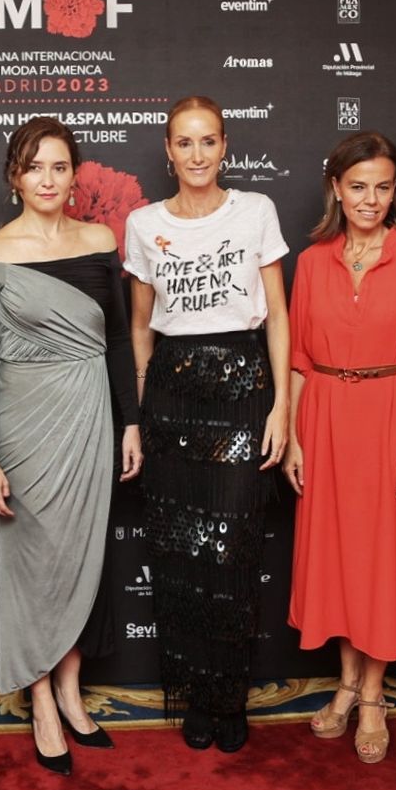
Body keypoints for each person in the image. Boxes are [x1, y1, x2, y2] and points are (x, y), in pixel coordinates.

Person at [0, 116, 143, 776]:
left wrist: (130, 421)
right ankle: (39, 694)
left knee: (79, 559)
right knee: (31, 564)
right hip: (21, 425)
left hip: (91, 416)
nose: (47, 178)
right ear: (16, 176)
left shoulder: (98, 240)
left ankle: (69, 687)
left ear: (74, 175)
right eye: (35, 166)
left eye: (60, 166)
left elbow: (119, 340)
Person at [125, 95, 290, 753]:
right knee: (180, 554)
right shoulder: (141, 223)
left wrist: (283, 406)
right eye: (184, 143)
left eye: (208, 141)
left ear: (225, 146)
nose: (197, 155)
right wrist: (139, 415)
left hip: (244, 389)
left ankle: (229, 696)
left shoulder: (255, 211)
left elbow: (278, 314)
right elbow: (140, 328)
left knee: (233, 551)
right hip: (172, 395)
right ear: (168, 151)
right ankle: (196, 694)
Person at [283, 131, 396, 764]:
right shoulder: (314, 260)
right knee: (341, 559)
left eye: (382, 187)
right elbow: (297, 359)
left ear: (395, 190)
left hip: (389, 418)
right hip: (324, 419)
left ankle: (373, 694)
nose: (370, 199)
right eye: (358, 186)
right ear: (336, 188)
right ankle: (347, 682)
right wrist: (294, 435)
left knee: (383, 560)